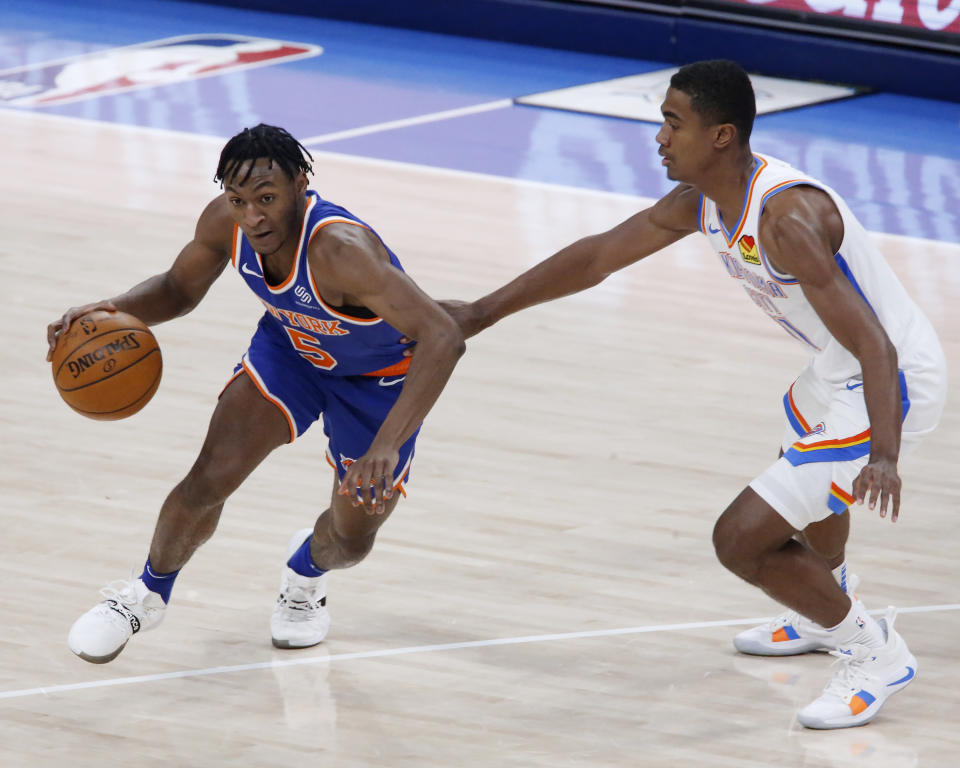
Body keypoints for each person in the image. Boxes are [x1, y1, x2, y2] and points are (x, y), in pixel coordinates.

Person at [432, 60, 946, 729]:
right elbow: (597, 258)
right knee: (807, 457)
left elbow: (877, 344)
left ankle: (875, 653)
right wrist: (482, 310)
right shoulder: (700, 202)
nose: (660, 138)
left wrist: (884, 452)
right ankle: (830, 600)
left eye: (674, 124)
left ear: (722, 136)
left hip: (891, 376)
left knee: (741, 540)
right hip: (837, 364)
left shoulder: (787, 218)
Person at [47, 124, 465, 663]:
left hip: (377, 379)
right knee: (211, 474)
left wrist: (387, 444)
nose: (253, 216)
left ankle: (306, 572)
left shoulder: (340, 250)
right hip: (292, 352)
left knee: (352, 541)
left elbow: (443, 336)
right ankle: (146, 594)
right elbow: (177, 289)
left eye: (267, 198)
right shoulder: (226, 222)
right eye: (238, 199)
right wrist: (109, 310)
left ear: (301, 183)